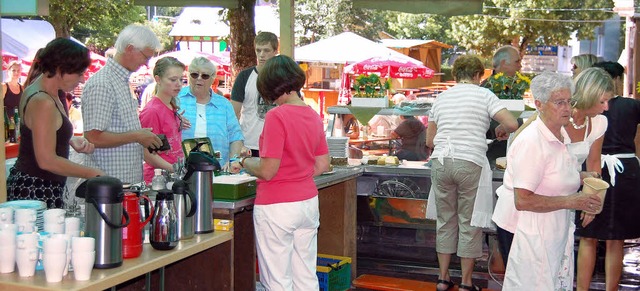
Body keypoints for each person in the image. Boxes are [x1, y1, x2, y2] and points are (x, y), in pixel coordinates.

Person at [493, 67, 613, 271]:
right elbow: (523, 196)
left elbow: (586, 164)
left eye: (568, 102)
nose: (607, 107)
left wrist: (588, 193)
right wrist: (572, 197)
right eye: (602, 101)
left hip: (553, 214)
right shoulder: (540, 132)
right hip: (525, 218)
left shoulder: (591, 124)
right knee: (527, 277)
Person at [229, 55, 329, 290]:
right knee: (305, 276)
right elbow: (323, 164)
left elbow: (267, 170)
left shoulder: (277, 116)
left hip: (276, 206)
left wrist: (244, 161)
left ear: (270, 86)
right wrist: (297, 173)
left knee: (277, 281)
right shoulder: (313, 116)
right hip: (307, 202)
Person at [426, 55, 518, 291]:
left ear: (456, 75)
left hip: (442, 162)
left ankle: (443, 279)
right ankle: (466, 283)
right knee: (469, 222)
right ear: (479, 76)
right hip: (470, 162)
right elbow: (513, 124)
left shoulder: (441, 98)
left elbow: (429, 140)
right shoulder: (484, 94)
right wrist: (499, 127)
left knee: (446, 222)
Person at [6, 38, 105, 209]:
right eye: (79, 73)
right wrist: (93, 173)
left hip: (38, 184)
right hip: (35, 188)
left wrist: (69, 139)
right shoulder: (42, 101)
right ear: (60, 70)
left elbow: (42, 132)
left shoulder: (46, 91)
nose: (82, 80)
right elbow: (46, 160)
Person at [576, 62, 640, 291]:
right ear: (616, 80)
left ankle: (582, 289)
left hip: (593, 173)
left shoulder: (586, 109)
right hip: (626, 173)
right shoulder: (632, 106)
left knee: (588, 235)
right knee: (616, 239)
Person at [82, 24, 163, 184]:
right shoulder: (103, 83)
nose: (146, 63)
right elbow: (92, 137)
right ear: (130, 48)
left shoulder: (119, 81)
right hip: (108, 186)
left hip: (123, 184)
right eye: (145, 57)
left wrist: (139, 135)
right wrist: (136, 135)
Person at [178, 57, 249, 167]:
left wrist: (232, 161)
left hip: (217, 170)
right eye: (194, 74)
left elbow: (235, 137)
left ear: (213, 79)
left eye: (205, 76)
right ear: (188, 75)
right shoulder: (176, 99)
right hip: (182, 170)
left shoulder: (224, 105)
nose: (199, 79)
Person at [139, 57, 188, 184]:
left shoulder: (171, 105)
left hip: (172, 176)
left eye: (181, 79)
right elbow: (147, 154)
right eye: (173, 79)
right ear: (158, 79)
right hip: (158, 179)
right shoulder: (152, 111)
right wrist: (174, 169)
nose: (178, 84)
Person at [231, 31, 279, 157]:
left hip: (278, 144)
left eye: (266, 50)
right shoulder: (244, 77)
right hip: (249, 144)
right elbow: (233, 114)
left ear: (275, 51)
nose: (262, 55)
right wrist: (237, 142)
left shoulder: (285, 77)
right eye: (258, 50)